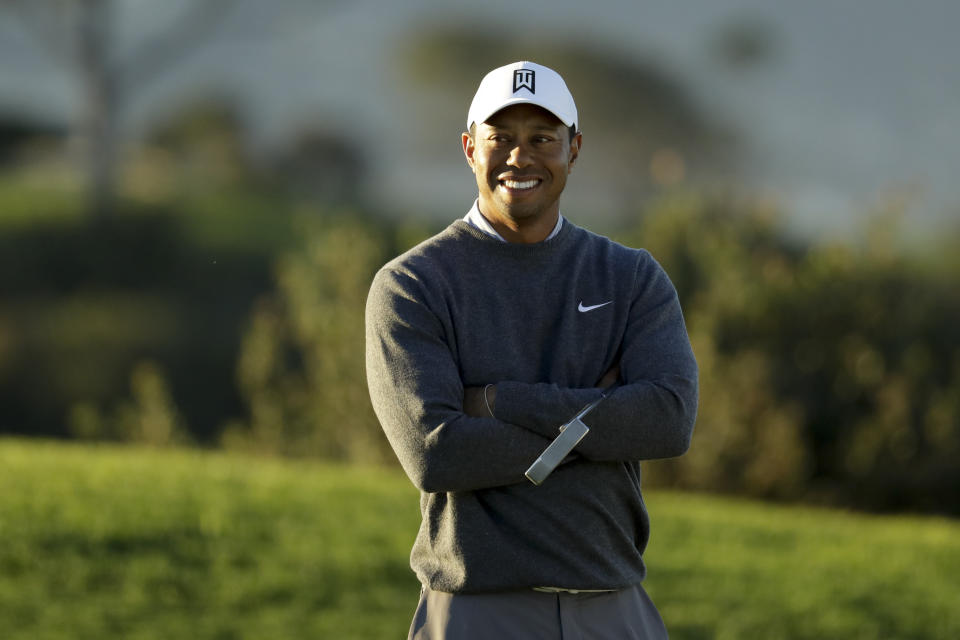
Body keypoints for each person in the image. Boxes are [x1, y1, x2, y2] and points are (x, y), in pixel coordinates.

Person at [365, 60, 698, 639]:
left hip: (613, 607)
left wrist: (497, 401)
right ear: (470, 148)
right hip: (476, 611)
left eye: (542, 138)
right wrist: (600, 408)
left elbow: (666, 420)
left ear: (574, 150)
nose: (521, 157)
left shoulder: (631, 277)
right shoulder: (412, 285)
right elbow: (436, 455)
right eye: (502, 138)